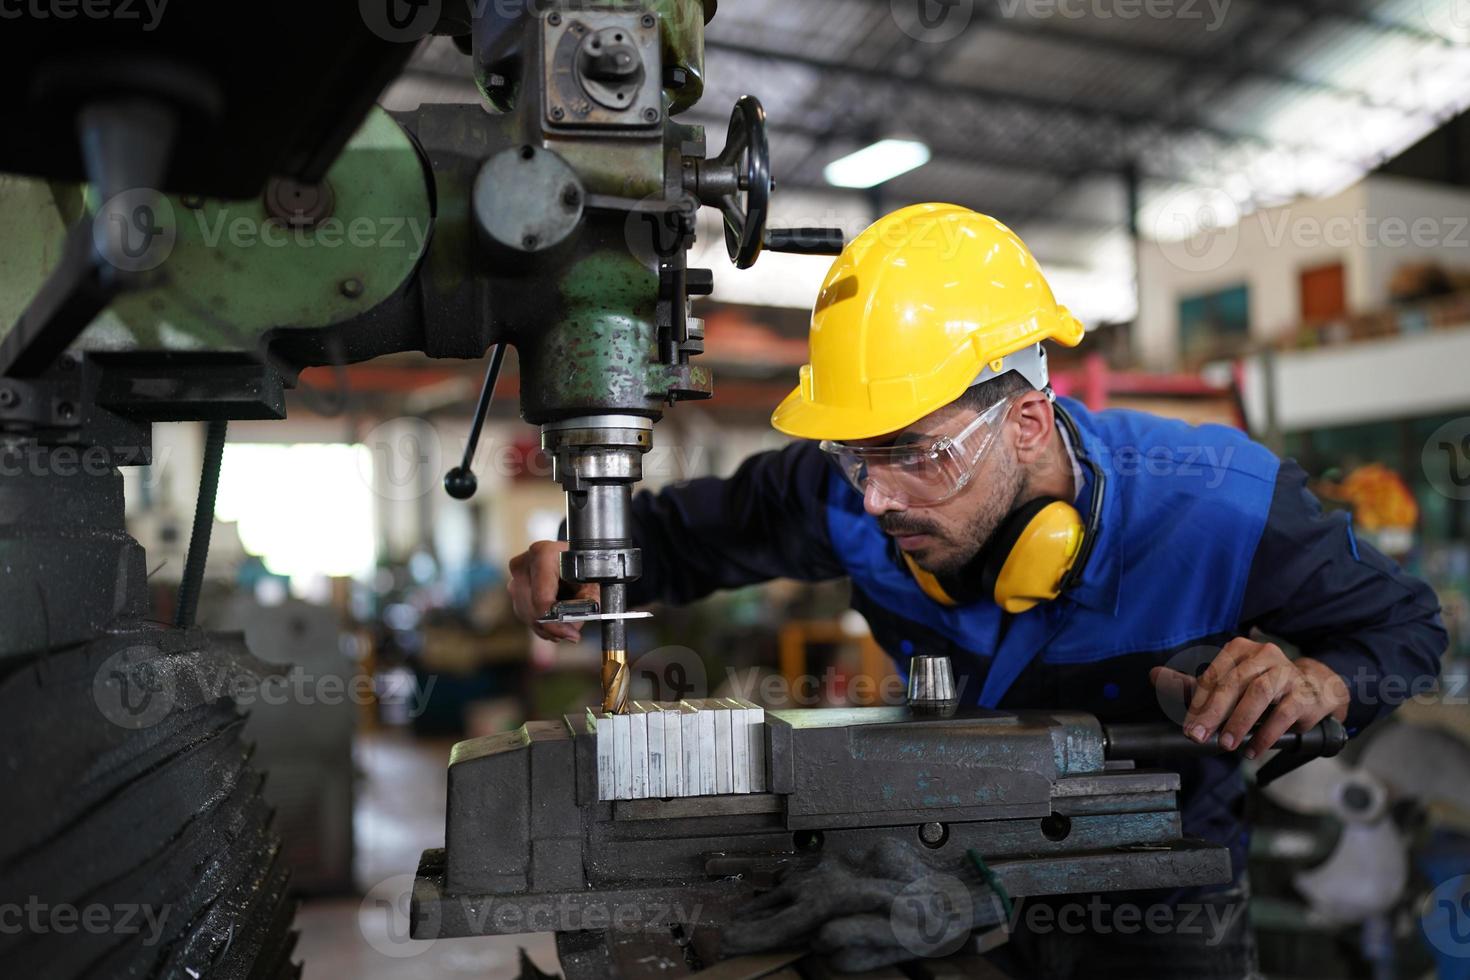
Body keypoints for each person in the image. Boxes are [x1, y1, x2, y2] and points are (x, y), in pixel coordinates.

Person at [507, 203, 1446, 977]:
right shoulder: (842, 491)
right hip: (941, 866)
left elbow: (1401, 629)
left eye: (917, 454)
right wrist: (588, 554)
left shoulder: (1220, 507)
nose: (874, 495)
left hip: (1157, 898)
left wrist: (1327, 677)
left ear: (1029, 419)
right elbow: (685, 537)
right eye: (854, 453)